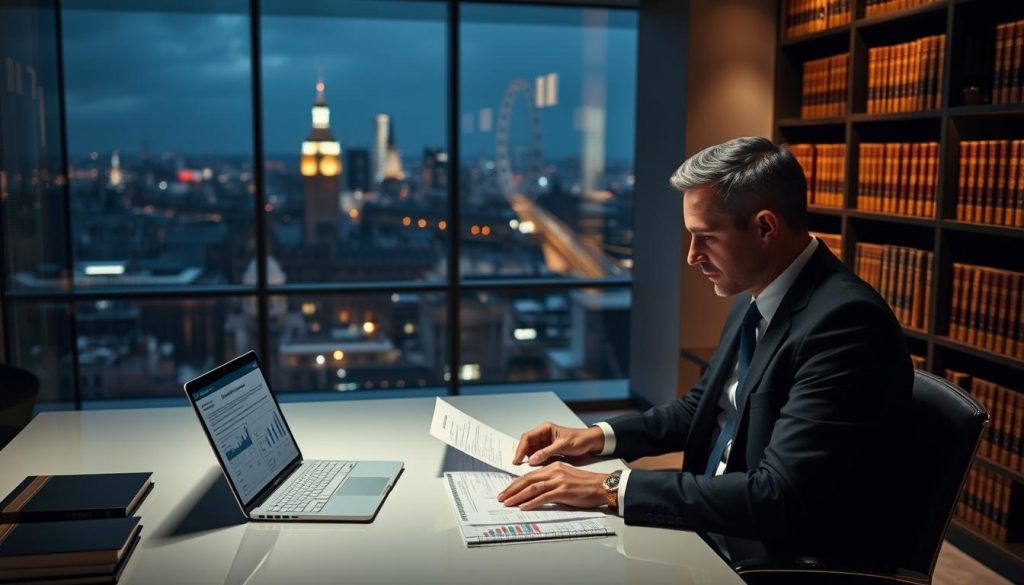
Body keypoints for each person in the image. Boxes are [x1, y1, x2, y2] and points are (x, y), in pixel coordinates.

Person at [498, 136, 913, 564]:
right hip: (717, 522)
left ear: (765, 227)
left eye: (706, 237)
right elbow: (702, 408)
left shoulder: (845, 324)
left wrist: (607, 487)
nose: (693, 256)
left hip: (776, 559)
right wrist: (596, 439)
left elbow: (776, 497)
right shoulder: (756, 297)